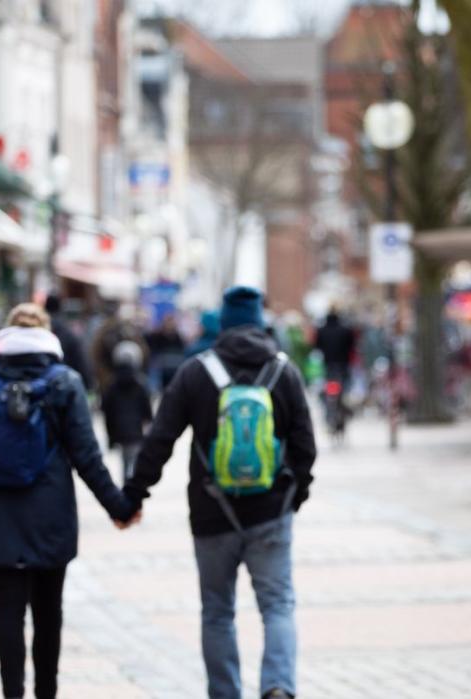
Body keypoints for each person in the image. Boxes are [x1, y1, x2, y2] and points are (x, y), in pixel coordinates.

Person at [123, 286, 317, 699]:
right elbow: (305, 447)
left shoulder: (196, 373)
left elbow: (160, 439)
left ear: (224, 323)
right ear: (260, 322)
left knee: (217, 612)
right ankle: (278, 687)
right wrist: (293, 496)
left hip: (212, 513)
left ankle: (226, 693)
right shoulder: (284, 372)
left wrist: (134, 494)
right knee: (277, 605)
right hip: (271, 511)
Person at [0, 303, 140, 699]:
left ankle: (12, 694)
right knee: (48, 612)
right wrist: (119, 507)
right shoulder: (64, 382)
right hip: (49, 513)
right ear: (47, 333)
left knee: (7, 612)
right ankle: (46, 693)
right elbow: (87, 456)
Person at [102, 341, 152, 482]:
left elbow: (107, 412)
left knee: (126, 462)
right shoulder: (140, 383)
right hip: (136, 430)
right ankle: (133, 487)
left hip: (120, 431)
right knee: (133, 461)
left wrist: (110, 437)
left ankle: (128, 487)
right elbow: (147, 410)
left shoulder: (111, 386)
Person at [45, 295, 94, 392]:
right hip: (65, 388)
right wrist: (89, 386)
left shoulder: (40, 332)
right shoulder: (68, 333)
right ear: (60, 308)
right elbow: (81, 362)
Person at [146, 313, 187, 393]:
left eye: (171, 322)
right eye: (168, 322)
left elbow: (182, 350)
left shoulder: (178, 337)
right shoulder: (157, 336)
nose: (170, 324)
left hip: (174, 368)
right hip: (161, 369)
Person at [315, 310, 356, 381]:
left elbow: (317, 345)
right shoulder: (345, 330)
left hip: (327, 361)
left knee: (328, 379)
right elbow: (351, 345)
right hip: (342, 361)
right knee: (343, 380)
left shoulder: (321, 330)